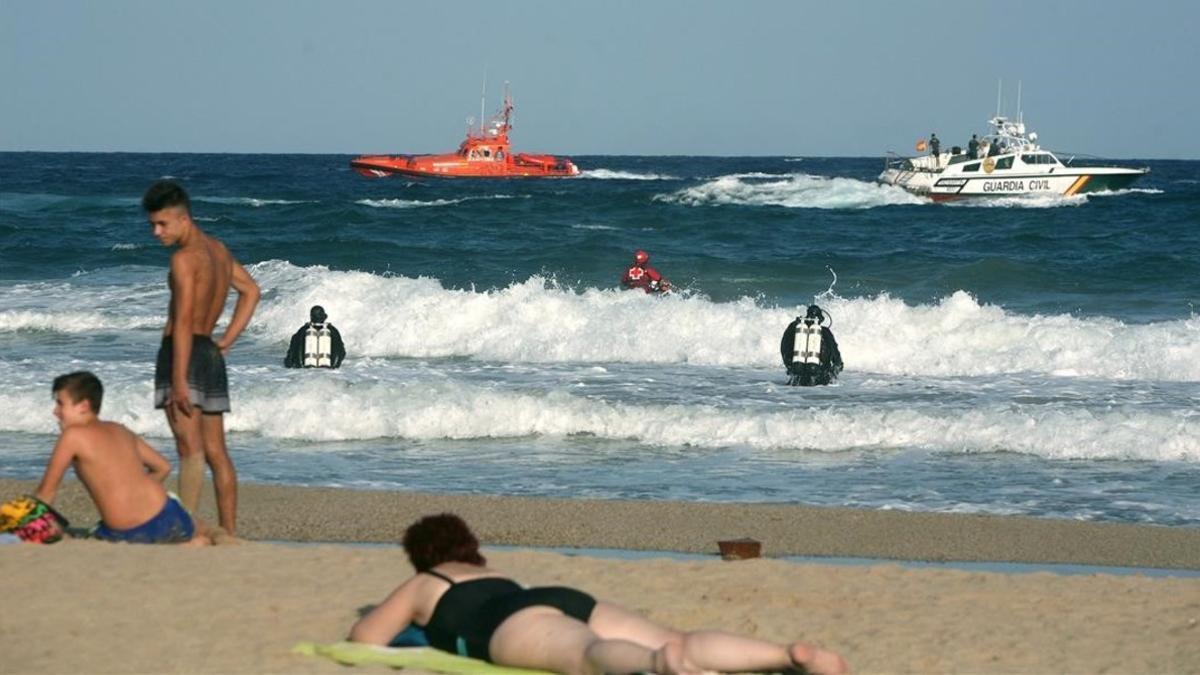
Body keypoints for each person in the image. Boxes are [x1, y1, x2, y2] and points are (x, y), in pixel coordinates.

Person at [350, 513, 847, 675]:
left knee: (585, 654)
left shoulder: (426, 582)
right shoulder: (491, 572)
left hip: (506, 623)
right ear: (467, 547)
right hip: (552, 596)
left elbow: (364, 638)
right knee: (677, 634)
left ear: (422, 555)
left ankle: (658, 666)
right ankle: (787, 654)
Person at [145, 180, 260, 536]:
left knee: (189, 449)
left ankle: (186, 531)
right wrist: (227, 339)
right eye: (152, 224)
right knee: (217, 452)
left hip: (183, 354)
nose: (156, 232)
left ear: (184, 219)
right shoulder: (218, 250)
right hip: (210, 353)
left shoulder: (183, 259)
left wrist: (179, 378)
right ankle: (228, 532)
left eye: (162, 224)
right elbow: (251, 291)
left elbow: (182, 321)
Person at [33, 371, 207, 544]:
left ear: (84, 406)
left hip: (131, 531)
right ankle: (199, 538)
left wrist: (25, 526)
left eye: (60, 404)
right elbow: (163, 466)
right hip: (169, 512)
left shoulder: (72, 436)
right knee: (192, 531)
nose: (55, 411)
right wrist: (134, 494)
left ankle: (192, 542)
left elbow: (46, 492)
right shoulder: (120, 430)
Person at [780, 305, 843, 387]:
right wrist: (833, 375)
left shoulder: (794, 328)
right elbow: (837, 359)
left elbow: (784, 348)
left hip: (797, 378)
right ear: (820, 319)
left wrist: (791, 368)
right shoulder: (826, 332)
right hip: (820, 379)